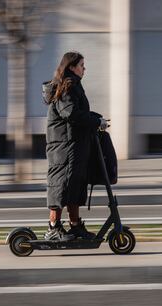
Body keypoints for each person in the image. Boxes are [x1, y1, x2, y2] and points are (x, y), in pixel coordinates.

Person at [42, 52, 109, 241]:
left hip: (75, 145)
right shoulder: (67, 87)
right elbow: (70, 113)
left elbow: (79, 112)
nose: (84, 68)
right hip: (64, 147)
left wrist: (97, 119)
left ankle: (75, 225)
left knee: (75, 185)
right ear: (71, 67)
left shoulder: (74, 85)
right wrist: (96, 121)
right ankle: (53, 228)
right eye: (81, 65)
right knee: (61, 186)